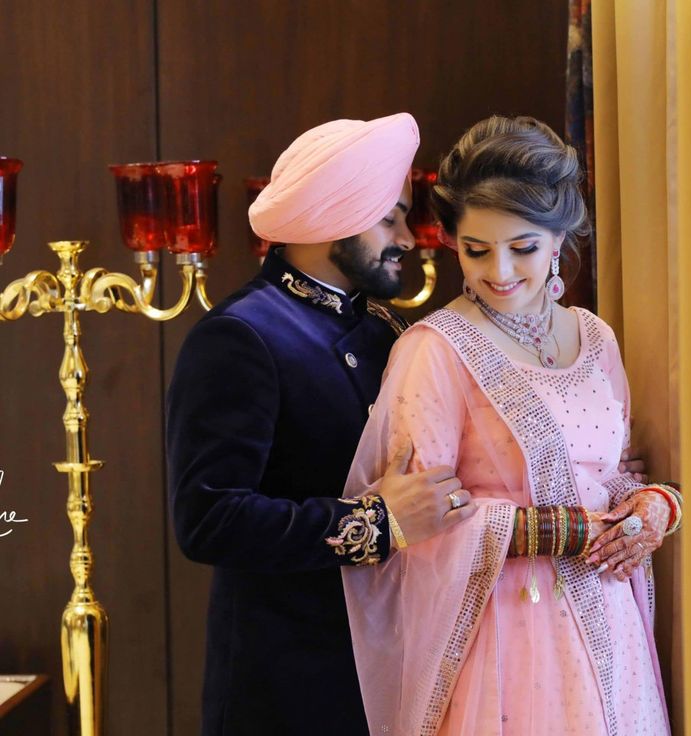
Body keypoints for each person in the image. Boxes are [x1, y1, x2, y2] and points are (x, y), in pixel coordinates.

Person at [342, 115, 682, 735]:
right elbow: (418, 518)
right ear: (452, 243)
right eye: (476, 250)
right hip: (504, 634)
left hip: (609, 620)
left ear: (559, 240)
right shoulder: (435, 350)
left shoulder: (595, 336)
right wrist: (567, 529)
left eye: (522, 247)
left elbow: (613, 474)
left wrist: (657, 507)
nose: (498, 271)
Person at [165, 113, 480, 736]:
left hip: (389, 669)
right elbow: (208, 520)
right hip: (289, 689)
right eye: (389, 216)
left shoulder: (383, 329)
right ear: (332, 216)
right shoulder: (241, 336)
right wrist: (376, 524)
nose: (409, 239)